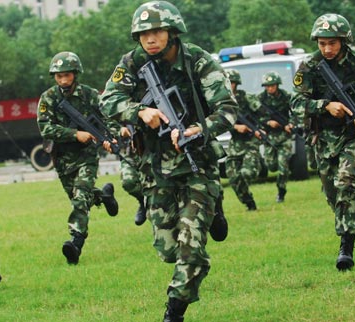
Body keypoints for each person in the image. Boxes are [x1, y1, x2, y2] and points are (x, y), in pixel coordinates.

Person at [99, 2, 237, 321]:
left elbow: (228, 109)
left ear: (172, 32)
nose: (150, 39)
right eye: (144, 33)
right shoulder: (132, 62)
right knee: (167, 250)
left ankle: (174, 311)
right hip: (155, 169)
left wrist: (199, 130)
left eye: (157, 31)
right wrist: (140, 111)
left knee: (190, 247)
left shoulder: (198, 60)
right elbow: (109, 99)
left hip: (197, 164)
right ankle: (213, 211)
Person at [291, 14, 355, 271]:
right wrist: (325, 105)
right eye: (322, 43)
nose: (327, 49)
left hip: (352, 137)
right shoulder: (309, 65)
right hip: (322, 138)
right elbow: (296, 103)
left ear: (344, 41)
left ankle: (346, 247)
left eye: (332, 43)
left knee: (344, 183)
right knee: (333, 195)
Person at [37, 51, 119, 265]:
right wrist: (74, 134)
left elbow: (107, 118)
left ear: (75, 74)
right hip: (62, 158)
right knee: (78, 197)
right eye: (59, 76)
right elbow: (45, 128)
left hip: (86, 156)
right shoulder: (48, 98)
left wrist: (111, 138)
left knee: (81, 196)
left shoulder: (89, 95)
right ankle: (103, 197)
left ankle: (76, 242)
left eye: (67, 75)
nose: (63, 80)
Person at [225, 69, 263, 211]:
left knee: (247, 173)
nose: (229, 85)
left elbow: (263, 112)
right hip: (235, 142)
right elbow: (219, 121)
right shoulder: (222, 101)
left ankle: (257, 164)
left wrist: (260, 128)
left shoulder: (247, 98)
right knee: (233, 177)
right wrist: (236, 127)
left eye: (232, 83)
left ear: (237, 84)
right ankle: (249, 202)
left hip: (251, 140)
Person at [258, 71, 293, 202]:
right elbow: (255, 116)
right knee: (271, 165)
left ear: (277, 85)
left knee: (283, 166)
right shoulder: (260, 99)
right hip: (269, 136)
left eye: (272, 85)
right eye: (267, 86)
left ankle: (281, 192)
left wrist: (291, 124)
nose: (270, 88)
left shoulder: (286, 96)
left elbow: (296, 111)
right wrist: (267, 122)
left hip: (284, 136)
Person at [119, 124, 147, 226]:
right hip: (130, 151)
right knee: (128, 182)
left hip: (151, 149)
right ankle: (143, 201)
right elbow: (109, 122)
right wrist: (119, 130)